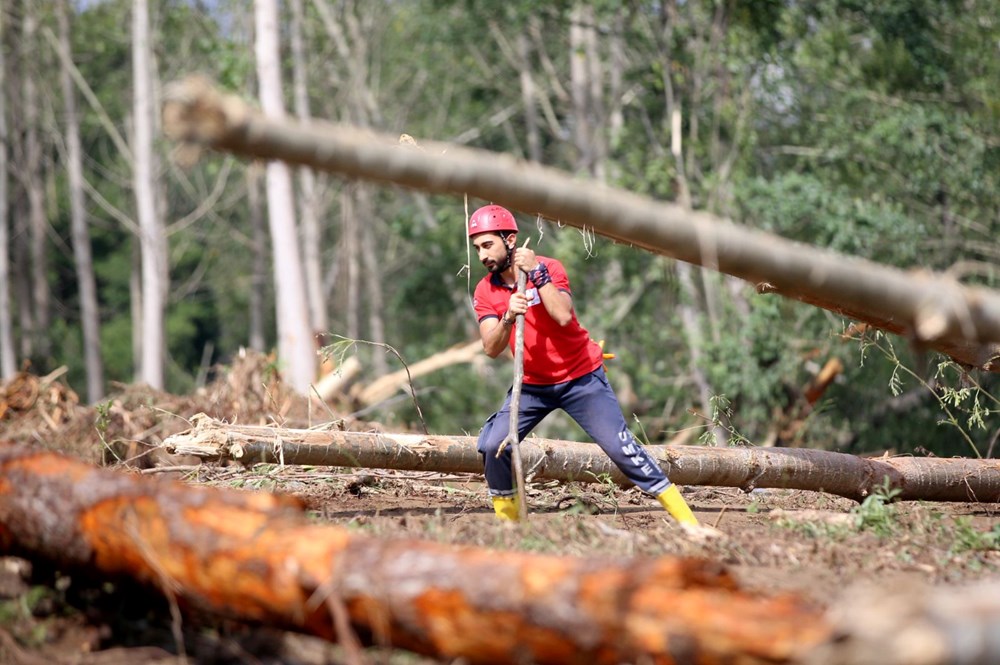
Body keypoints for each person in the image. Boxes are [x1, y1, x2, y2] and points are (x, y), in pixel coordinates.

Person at [468, 204, 698, 525]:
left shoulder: (549, 267)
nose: (481, 255)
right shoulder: (485, 290)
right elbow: (491, 347)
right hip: (533, 385)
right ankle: (512, 530)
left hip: (581, 378)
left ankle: (690, 524)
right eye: (477, 247)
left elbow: (562, 315)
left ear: (510, 240)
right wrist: (507, 315)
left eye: (487, 245)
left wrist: (537, 275)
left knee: (622, 451)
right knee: (495, 445)